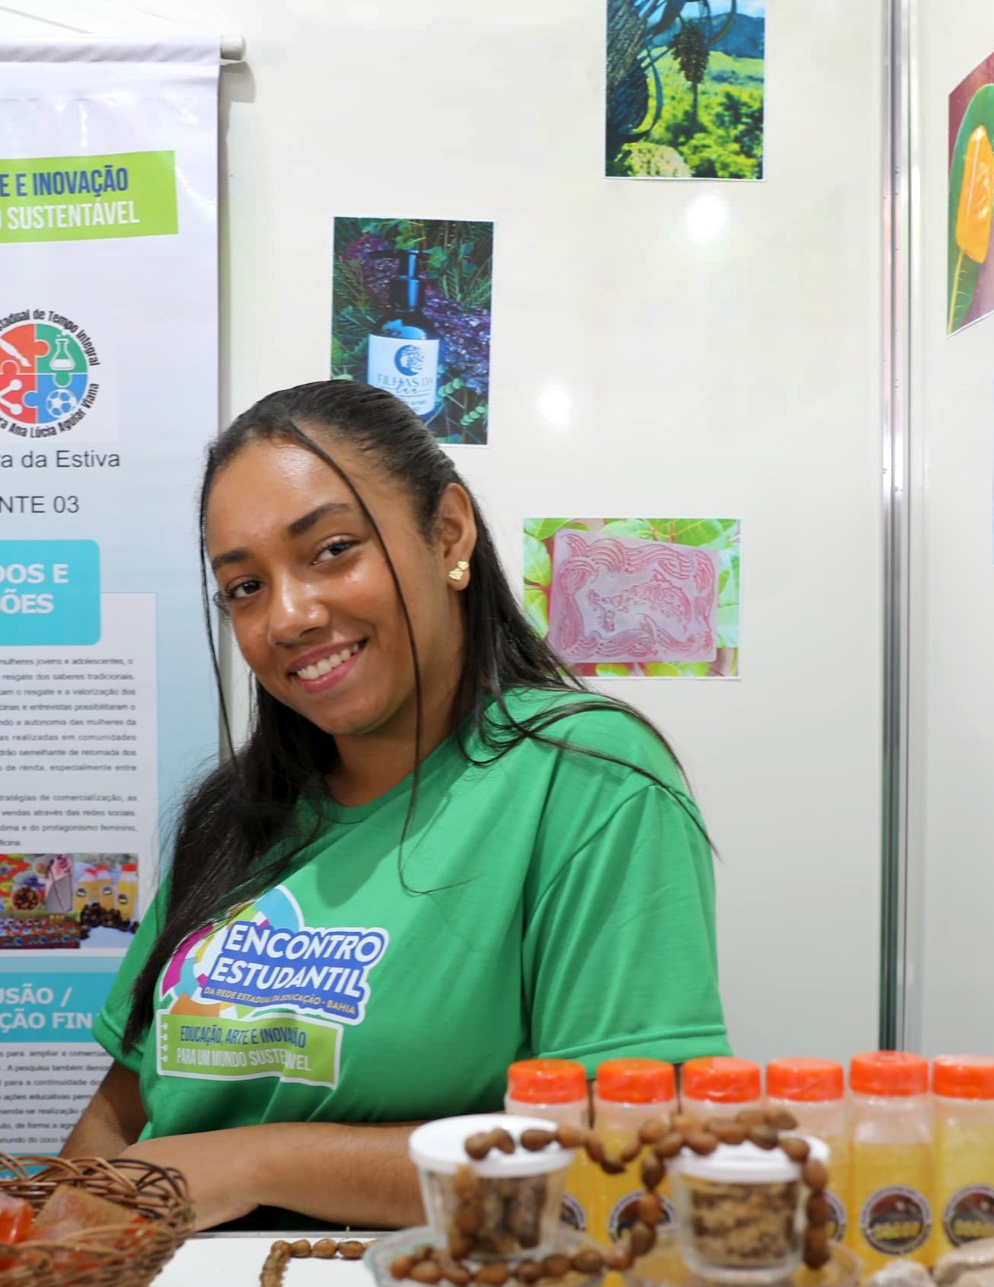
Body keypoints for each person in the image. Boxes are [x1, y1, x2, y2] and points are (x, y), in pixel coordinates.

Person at [61, 380, 728, 1228]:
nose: (289, 615)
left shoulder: (586, 775)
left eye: (332, 549)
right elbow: (119, 1115)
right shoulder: (234, 815)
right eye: (243, 588)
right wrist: (49, 1250)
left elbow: (626, 1156)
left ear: (447, 534)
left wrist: (257, 1161)